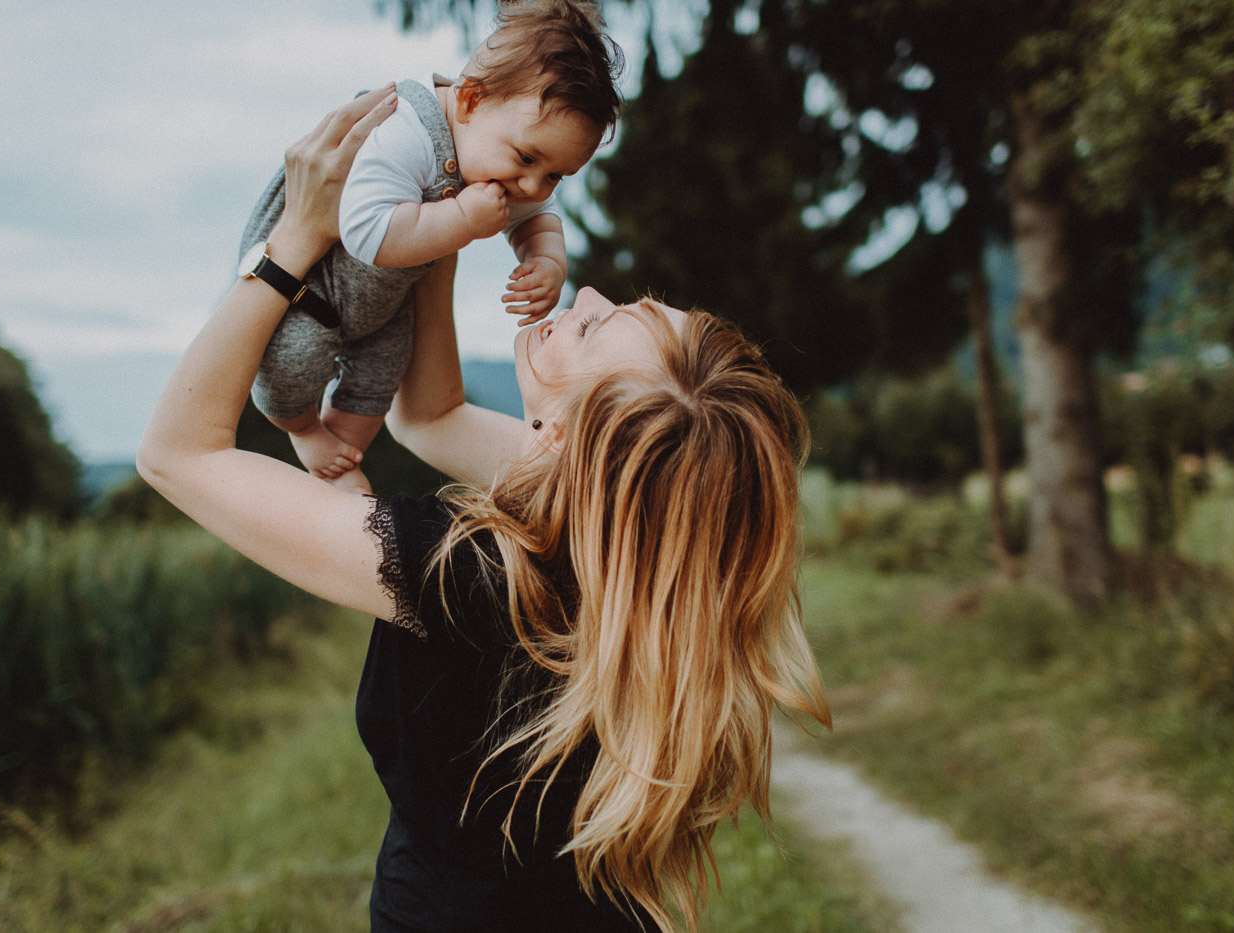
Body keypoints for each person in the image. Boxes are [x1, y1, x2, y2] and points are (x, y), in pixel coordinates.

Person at [139, 87, 830, 933]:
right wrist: (443, 217)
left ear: (569, 437)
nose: (582, 300)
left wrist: (293, 245)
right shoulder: (634, 536)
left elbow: (177, 451)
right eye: (620, 306)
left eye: (594, 331)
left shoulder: (467, 568)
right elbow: (426, 418)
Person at [239, 0, 622, 493]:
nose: (532, 186)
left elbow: (537, 219)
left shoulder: (499, 155)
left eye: (556, 175)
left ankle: (338, 465)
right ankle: (305, 431)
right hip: (315, 286)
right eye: (528, 159)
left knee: (377, 384)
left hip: (387, 304)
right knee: (288, 372)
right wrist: (459, 218)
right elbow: (365, 229)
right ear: (469, 101)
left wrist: (545, 259)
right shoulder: (406, 131)